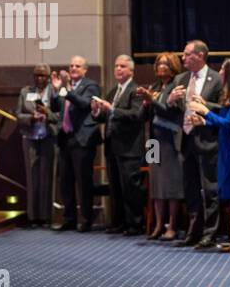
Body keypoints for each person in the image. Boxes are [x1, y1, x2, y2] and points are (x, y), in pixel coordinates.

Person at [157, 41, 224, 248]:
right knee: (191, 189)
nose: (183, 58)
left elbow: (224, 108)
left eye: (187, 55)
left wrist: (205, 105)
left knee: (210, 189)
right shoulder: (180, 78)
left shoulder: (216, 79)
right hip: (184, 140)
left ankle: (210, 233)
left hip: (207, 140)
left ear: (200, 55)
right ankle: (193, 232)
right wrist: (170, 100)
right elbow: (169, 111)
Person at [188, 58, 230, 253]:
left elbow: (227, 123)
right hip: (227, 145)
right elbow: (223, 120)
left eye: (224, 69)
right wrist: (204, 122)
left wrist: (206, 112)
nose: (221, 72)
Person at [91, 54, 147, 235]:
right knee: (115, 187)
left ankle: (135, 224)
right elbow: (104, 116)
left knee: (130, 188)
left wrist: (112, 109)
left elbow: (136, 115)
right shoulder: (113, 90)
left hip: (130, 148)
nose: (118, 69)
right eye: (116, 66)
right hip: (112, 147)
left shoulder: (136, 90)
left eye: (123, 66)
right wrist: (96, 111)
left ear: (131, 70)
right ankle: (119, 222)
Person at [50, 56, 102, 232]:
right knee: (65, 181)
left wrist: (65, 89)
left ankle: (86, 219)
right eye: (71, 65)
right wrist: (56, 91)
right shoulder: (67, 87)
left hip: (82, 139)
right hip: (65, 137)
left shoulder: (91, 85)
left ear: (85, 70)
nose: (73, 68)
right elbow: (56, 107)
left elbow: (84, 103)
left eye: (77, 66)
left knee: (83, 181)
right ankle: (69, 218)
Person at [139, 52, 185, 241]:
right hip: (153, 141)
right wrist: (145, 104)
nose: (161, 67)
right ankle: (158, 224)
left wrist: (154, 100)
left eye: (165, 64)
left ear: (173, 66)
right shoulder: (154, 86)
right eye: (159, 63)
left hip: (170, 140)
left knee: (171, 184)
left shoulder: (177, 86)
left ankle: (172, 226)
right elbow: (142, 117)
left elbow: (173, 111)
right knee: (156, 184)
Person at [16, 64, 58, 228]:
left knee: (48, 176)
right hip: (30, 137)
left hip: (49, 136)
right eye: (37, 75)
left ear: (48, 77)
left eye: (43, 76)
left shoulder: (54, 92)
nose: (40, 79)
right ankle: (33, 217)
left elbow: (61, 114)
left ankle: (47, 217)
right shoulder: (26, 92)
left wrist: (47, 113)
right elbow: (18, 115)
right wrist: (31, 117)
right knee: (32, 176)